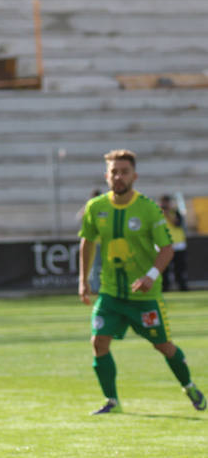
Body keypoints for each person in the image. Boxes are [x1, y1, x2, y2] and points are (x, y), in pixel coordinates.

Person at [78, 149, 205, 415]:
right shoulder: (96, 207)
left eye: (124, 172)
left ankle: (189, 386)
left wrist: (151, 276)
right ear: (106, 175)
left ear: (134, 176)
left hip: (144, 298)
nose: (119, 177)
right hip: (111, 293)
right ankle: (112, 401)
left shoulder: (147, 209)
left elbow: (167, 248)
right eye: (114, 172)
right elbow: (87, 241)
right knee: (98, 342)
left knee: (164, 346)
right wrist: (83, 280)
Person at [158, 194, 189, 292]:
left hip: (178, 245)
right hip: (164, 245)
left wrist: (167, 214)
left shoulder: (176, 212)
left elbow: (177, 224)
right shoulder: (157, 213)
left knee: (179, 267)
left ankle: (182, 287)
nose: (165, 205)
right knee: (164, 269)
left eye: (167, 202)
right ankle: (165, 288)